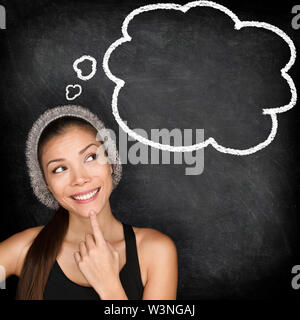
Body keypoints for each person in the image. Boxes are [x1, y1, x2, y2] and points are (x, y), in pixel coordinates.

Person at [0, 105, 178, 300]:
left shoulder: (155, 251)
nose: (80, 178)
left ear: (111, 162)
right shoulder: (25, 249)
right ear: (47, 185)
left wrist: (109, 286)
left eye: (91, 157)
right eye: (60, 169)